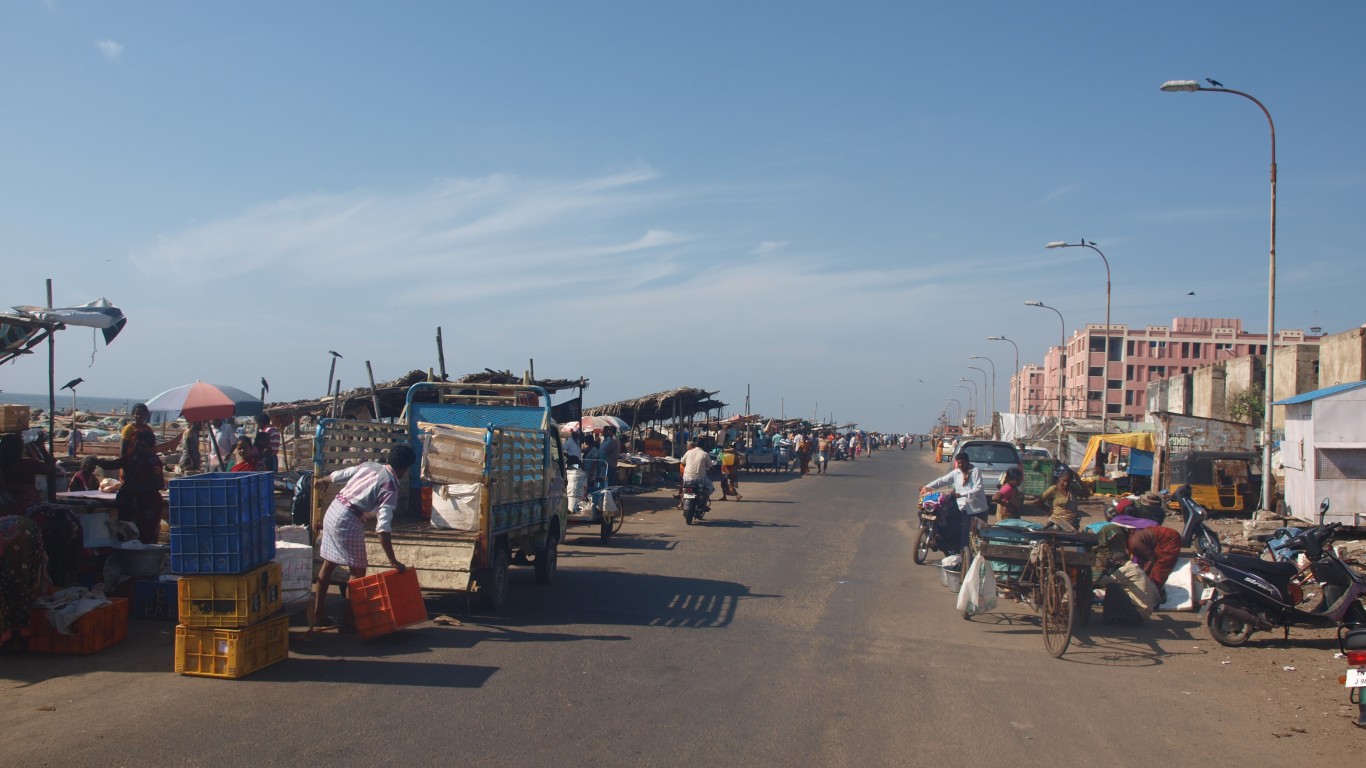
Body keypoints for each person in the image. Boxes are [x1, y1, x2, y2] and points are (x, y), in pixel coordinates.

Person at [309, 444, 416, 631]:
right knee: (358, 572)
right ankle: (348, 621)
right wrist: (393, 560)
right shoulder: (390, 486)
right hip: (348, 519)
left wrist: (326, 479)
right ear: (405, 468)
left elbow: (345, 473)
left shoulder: (371, 465)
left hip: (334, 509)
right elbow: (383, 529)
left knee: (329, 563)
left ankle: (319, 613)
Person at [96, 430, 165, 544]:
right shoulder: (130, 457)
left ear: (149, 447)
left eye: (143, 445)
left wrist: (139, 488)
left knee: (145, 534)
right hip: (128, 502)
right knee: (126, 531)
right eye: (137, 444)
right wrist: (97, 461)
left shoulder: (153, 461)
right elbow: (113, 464)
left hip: (146, 504)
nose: (139, 448)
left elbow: (160, 484)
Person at [1, 515, 51, 649]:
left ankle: (12, 637)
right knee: (23, 586)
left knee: (13, 587)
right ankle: (21, 635)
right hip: (28, 531)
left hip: (19, 537)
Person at [921, 453, 990, 549]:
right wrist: (927, 486)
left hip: (979, 509)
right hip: (965, 509)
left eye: (962, 463)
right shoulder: (956, 472)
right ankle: (963, 557)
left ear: (967, 462)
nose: (960, 465)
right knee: (964, 534)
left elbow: (978, 488)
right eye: (959, 463)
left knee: (982, 534)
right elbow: (942, 481)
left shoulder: (975, 471)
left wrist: (962, 494)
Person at [1126, 524, 1183, 603]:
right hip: (1159, 537)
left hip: (1169, 538)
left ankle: (1156, 597)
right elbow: (1144, 558)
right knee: (1148, 570)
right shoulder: (1132, 541)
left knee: (1160, 568)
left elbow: (1151, 559)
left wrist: (1142, 575)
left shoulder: (1135, 543)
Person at [118, 404, 155, 477]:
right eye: (136, 414)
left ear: (146, 415)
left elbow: (152, 448)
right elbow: (123, 450)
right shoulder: (128, 429)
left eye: (141, 414)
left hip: (144, 464)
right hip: (130, 463)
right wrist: (123, 467)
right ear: (133, 415)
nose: (139, 416)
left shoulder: (148, 430)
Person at [679, 440, 714, 509]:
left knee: (684, 490)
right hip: (700, 479)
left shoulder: (688, 452)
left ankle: (682, 503)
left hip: (687, 478)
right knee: (711, 488)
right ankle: (703, 502)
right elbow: (711, 466)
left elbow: (682, 461)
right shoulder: (705, 454)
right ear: (703, 446)